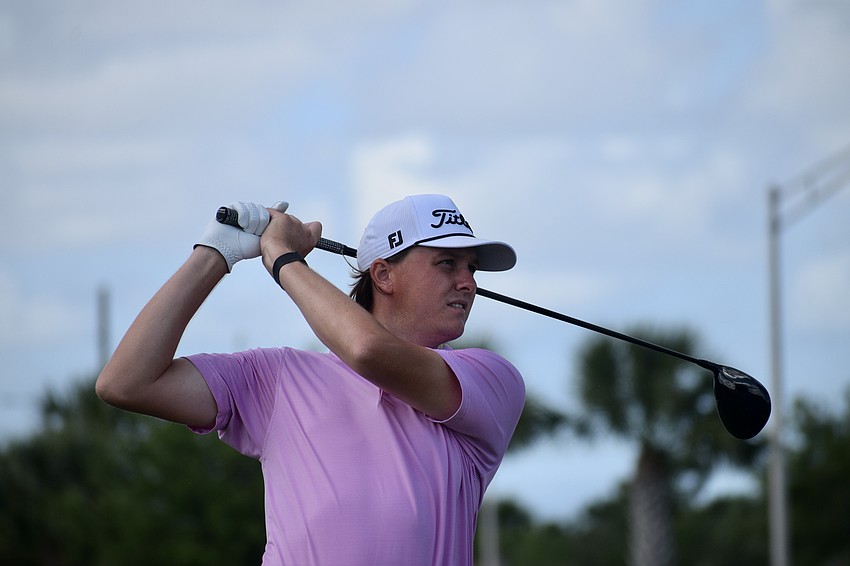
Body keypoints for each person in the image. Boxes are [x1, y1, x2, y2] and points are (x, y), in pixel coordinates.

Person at [96, 193, 526, 565]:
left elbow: (367, 351)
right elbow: (125, 383)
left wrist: (283, 258)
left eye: (471, 268)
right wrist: (214, 252)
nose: (468, 282)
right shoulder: (279, 377)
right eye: (447, 263)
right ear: (383, 275)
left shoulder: (490, 379)